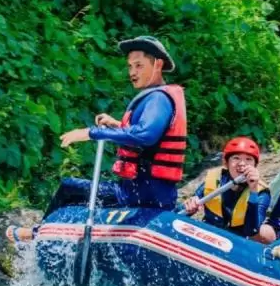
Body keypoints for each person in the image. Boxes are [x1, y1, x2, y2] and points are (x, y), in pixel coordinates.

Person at [46, 35, 186, 212]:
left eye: (139, 65)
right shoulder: (156, 97)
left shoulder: (158, 98)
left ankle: (36, 233)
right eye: (130, 66)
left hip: (141, 196)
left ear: (158, 65)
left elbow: (145, 135)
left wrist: (91, 133)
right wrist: (117, 124)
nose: (132, 72)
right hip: (147, 194)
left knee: (69, 188)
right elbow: (150, 139)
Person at [182, 137, 272, 242]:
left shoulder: (262, 193)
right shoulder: (215, 180)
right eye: (236, 158)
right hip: (209, 234)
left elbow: (251, 231)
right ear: (226, 163)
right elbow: (181, 210)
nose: (242, 163)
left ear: (255, 166)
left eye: (248, 159)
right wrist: (190, 206)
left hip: (237, 241)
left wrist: (253, 191)